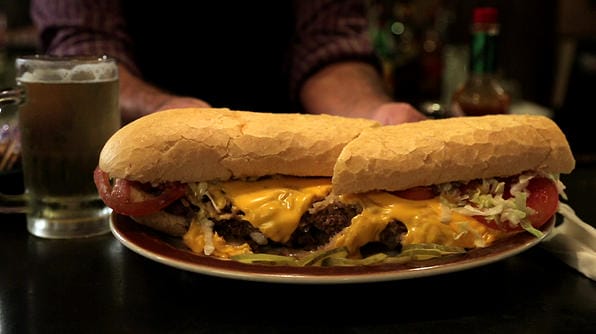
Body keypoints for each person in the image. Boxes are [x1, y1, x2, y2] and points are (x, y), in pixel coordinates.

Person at [30, 0, 426, 125]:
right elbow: (82, 49)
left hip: (287, 172)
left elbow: (328, 40)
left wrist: (372, 114)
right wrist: (166, 113)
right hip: (128, 184)